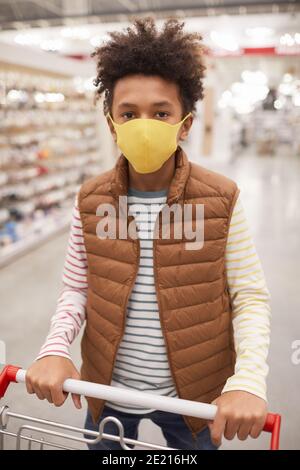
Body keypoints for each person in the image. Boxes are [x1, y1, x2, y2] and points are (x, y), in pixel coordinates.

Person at [25, 16, 271, 450]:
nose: (144, 125)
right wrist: (54, 348)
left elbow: (249, 294)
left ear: (186, 123)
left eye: (161, 113)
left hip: (193, 396)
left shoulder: (221, 199)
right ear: (111, 123)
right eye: (128, 114)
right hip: (107, 391)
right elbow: (76, 287)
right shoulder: (90, 199)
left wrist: (247, 380)